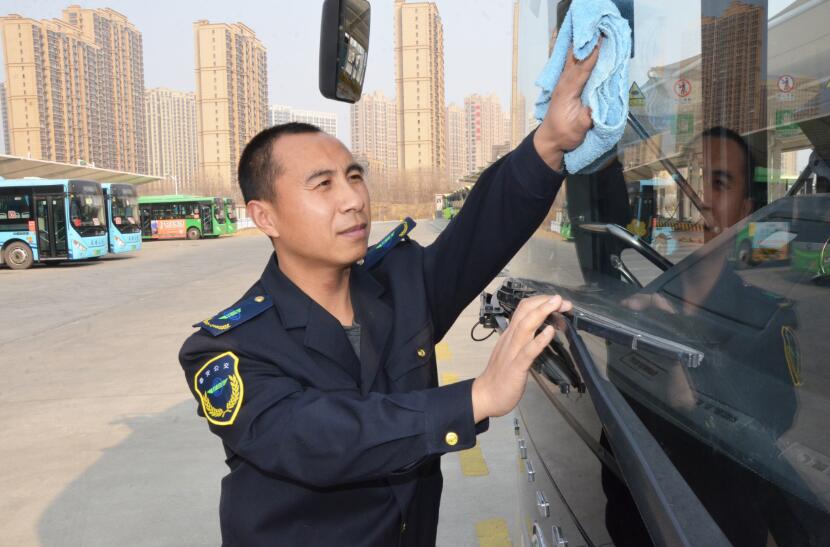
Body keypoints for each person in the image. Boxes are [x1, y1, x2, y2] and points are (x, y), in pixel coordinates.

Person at [178, 46, 599, 546]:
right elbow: (318, 439)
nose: (353, 199)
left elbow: (479, 231)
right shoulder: (228, 349)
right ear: (264, 216)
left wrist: (550, 141)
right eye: (323, 185)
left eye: (354, 176)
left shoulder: (400, 284)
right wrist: (477, 397)